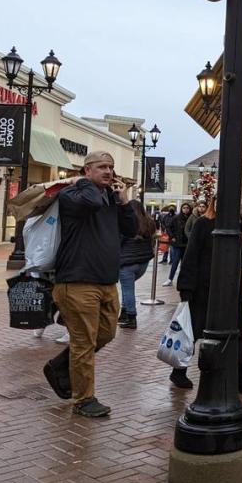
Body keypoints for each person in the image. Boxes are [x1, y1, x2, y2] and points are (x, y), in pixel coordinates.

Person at [42, 151, 137, 418]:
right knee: (84, 342)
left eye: (111, 167)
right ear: (87, 170)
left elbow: (131, 230)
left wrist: (123, 202)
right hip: (77, 281)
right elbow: (92, 203)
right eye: (102, 167)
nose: (108, 172)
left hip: (107, 281)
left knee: (106, 334)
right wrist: (81, 183)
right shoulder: (71, 196)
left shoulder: (109, 198)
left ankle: (60, 366)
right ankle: (83, 399)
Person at [172, 198, 242, 396]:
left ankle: (240, 380)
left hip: (231, 291)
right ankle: (178, 371)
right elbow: (191, 256)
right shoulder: (203, 224)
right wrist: (186, 288)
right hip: (203, 289)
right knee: (192, 332)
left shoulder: (238, 227)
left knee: (237, 335)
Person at [117, 200, 157, 330]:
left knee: (128, 290)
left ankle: (131, 317)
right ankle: (124, 314)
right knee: (127, 288)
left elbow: (119, 242)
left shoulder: (127, 224)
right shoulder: (149, 223)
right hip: (143, 263)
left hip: (127, 262)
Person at [163, 202, 192, 286]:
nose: (185, 209)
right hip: (178, 243)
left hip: (187, 243)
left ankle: (183, 280)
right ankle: (170, 279)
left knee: (184, 263)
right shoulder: (176, 218)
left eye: (187, 208)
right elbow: (168, 227)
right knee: (175, 261)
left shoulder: (191, 218)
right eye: (184, 208)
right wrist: (172, 236)